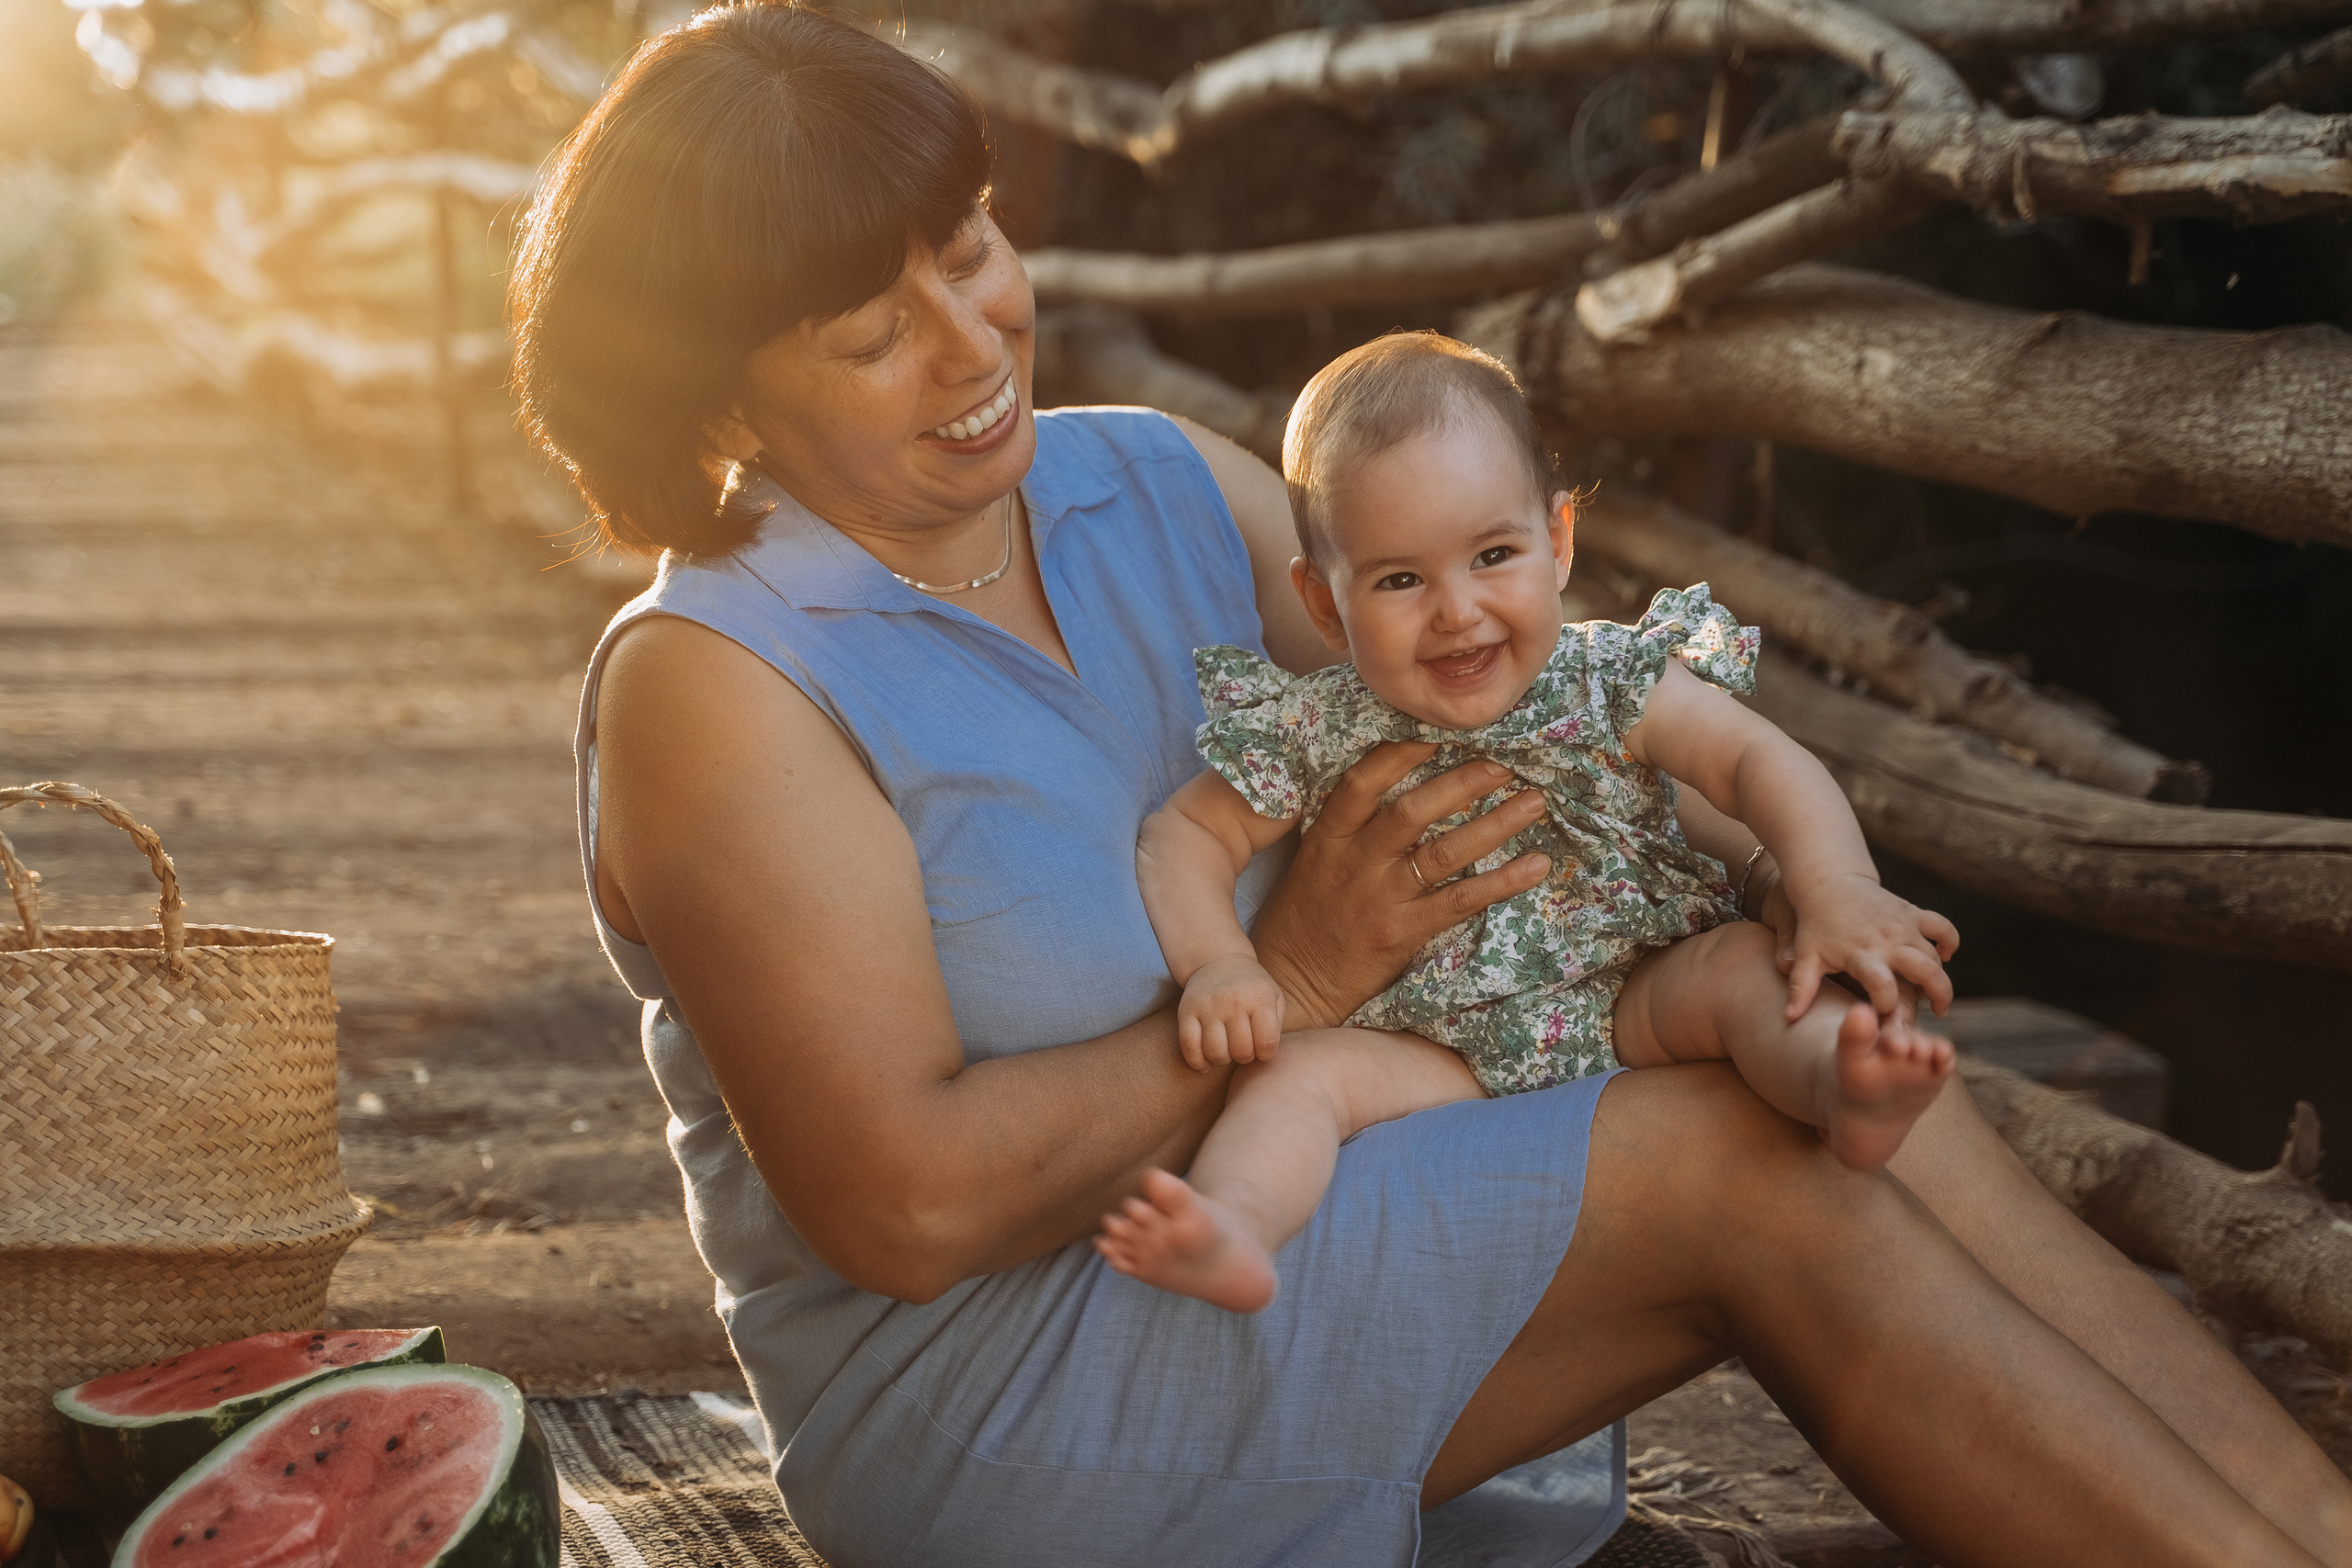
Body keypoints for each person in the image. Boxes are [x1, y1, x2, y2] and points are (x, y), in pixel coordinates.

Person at [513, 5, 2352, 1564]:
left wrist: (1784, 877)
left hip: (1315, 1188)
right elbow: (898, 1211)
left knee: (1832, 1043)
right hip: (996, 1387)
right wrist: (1293, 979)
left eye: (970, 240)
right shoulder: (721, 683)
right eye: (865, 331)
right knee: (1738, 1160)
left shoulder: (1153, 477)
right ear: (720, 397)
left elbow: (1501, 707)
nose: (973, 333)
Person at [1104, 333, 1958, 1314]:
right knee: (1297, 1079)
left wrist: (1833, 886)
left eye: (1492, 555)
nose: (1456, 611)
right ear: (1321, 602)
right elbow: (1184, 837)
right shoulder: (1319, 726)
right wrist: (1222, 965)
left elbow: (1753, 760)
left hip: (1633, 992)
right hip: (1436, 1050)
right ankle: (1235, 1224)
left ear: (1556, 542)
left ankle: (1843, 1092)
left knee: (1746, 974)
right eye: (1398, 580)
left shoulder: (1605, 678)